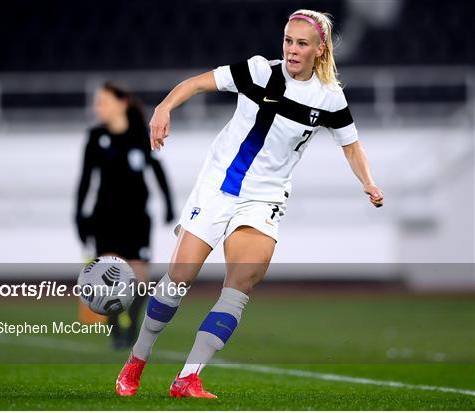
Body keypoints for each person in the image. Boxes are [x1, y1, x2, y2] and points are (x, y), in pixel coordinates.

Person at [115, 9, 384, 398]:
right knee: (179, 278)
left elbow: (352, 146)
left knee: (240, 282)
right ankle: (137, 359)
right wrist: (164, 107)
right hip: (218, 184)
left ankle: (188, 377)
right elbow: (196, 83)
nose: (291, 50)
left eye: (301, 44)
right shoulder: (259, 72)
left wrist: (369, 183)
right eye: (288, 41)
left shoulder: (329, 98)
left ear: (319, 50)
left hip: (265, 196)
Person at [75, 82, 175, 348]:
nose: (99, 108)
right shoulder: (96, 136)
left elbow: (157, 170)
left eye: (104, 102)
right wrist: (79, 215)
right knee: (108, 277)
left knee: (140, 278)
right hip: (105, 218)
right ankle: (115, 331)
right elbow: (86, 179)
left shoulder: (141, 135)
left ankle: (131, 322)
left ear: (121, 104)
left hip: (137, 219)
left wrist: (168, 203)